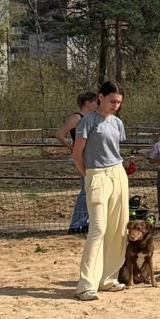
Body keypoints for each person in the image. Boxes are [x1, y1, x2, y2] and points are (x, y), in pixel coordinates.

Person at [71, 81, 130, 301]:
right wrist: (88, 174)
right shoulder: (87, 122)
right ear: (101, 97)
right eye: (112, 101)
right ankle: (86, 284)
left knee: (117, 228)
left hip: (118, 173)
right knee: (98, 229)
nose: (115, 105)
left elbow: (115, 149)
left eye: (119, 102)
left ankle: (107, 278)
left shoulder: (117, 123)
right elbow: (77, 154)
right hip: (96, 175)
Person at [56, 92, 99, 234]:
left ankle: (85, 220)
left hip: (92, 155)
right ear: (88, 103)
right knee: (86, 189)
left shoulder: (91, 118)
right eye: (95, 102)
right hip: (82, 156)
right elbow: (60, 134)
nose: (97, 105)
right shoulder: (77, 117)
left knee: (91, 189)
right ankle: (77, 222)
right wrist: (72, 148)